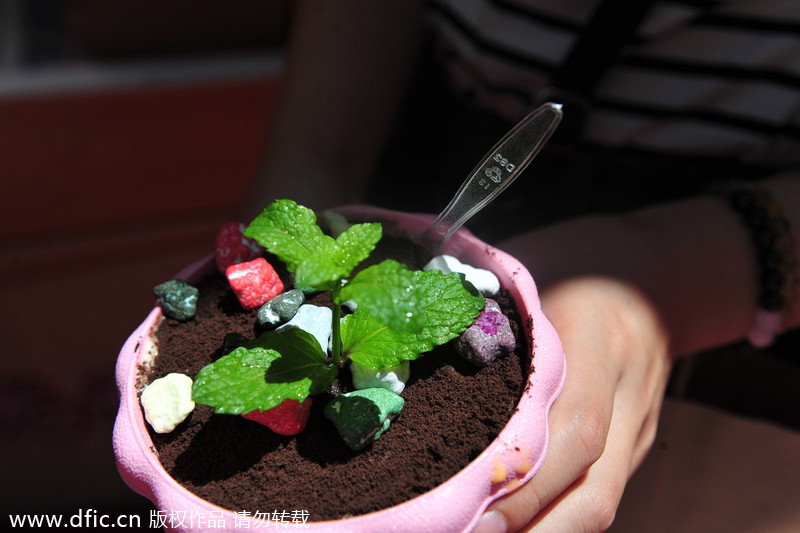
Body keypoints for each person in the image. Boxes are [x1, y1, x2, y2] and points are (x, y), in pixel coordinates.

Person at [239, 1, 800, 531]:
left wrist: (659, 285)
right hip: (425, 143)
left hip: (720, 233)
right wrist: (308, 173)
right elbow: (316, 148)